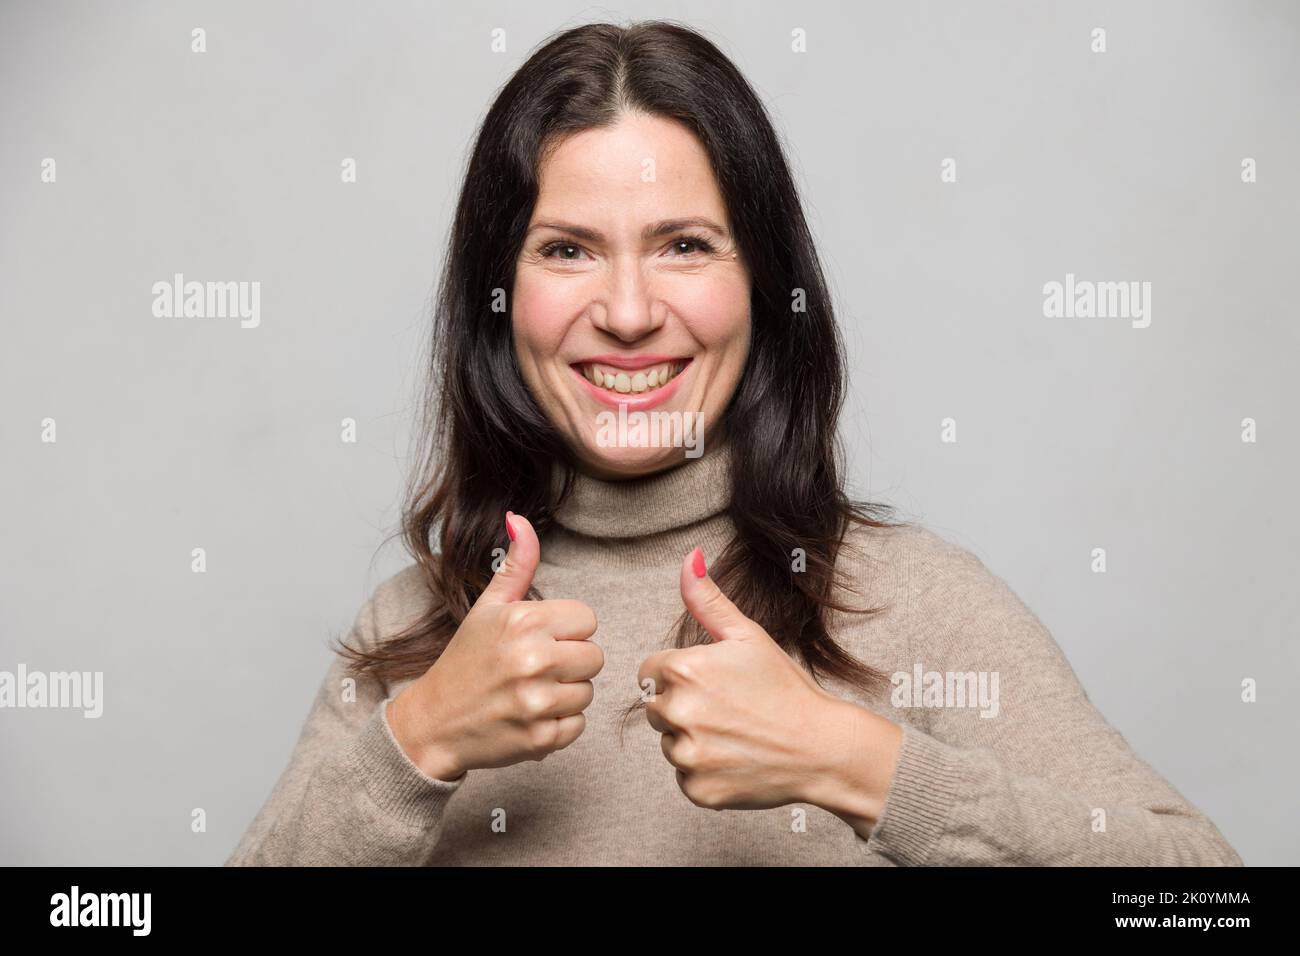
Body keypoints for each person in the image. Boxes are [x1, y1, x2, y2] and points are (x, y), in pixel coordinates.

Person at [226, 20, 1241, 866]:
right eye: (567, 249)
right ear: (500, 299)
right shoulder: (418, 627)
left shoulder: (912, 604)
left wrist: (854, 761)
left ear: (763, 288)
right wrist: (417, 742)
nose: (628, 311)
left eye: (684, 245)